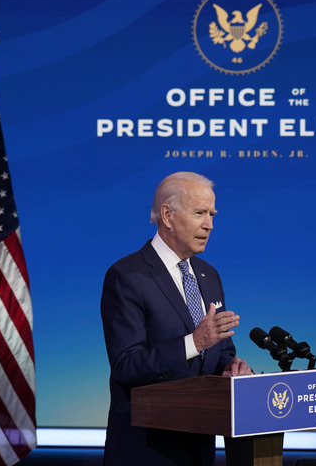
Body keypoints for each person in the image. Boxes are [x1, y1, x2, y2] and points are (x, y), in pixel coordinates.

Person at [101, 171, 252, 466]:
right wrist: (194, 342)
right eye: (199, 213)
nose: (209, 224)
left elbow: (220, 350)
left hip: (199, 443)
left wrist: (231, 368)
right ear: (168, 215)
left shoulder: (209, 275)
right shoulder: (127, 276)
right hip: (148, 447)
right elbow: (126, 366)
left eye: (212, 214)